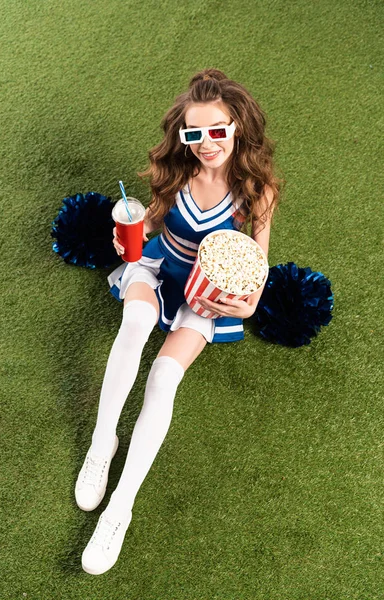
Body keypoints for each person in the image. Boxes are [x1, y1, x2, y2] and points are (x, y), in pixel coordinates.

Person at [75, 68, 281, 575]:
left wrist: (249, 305)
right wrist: (130, 228)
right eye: (194, 133)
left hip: (204, 292)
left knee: (164, 377)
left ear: (237, 126)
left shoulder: (257, 189)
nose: (206, 143)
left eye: (218, 130)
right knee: (138, 319)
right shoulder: (177, 173)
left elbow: (256, 267)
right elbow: (147, 228)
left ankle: (120, 507)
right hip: (158, 265)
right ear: (182, 134)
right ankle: (104, 442)